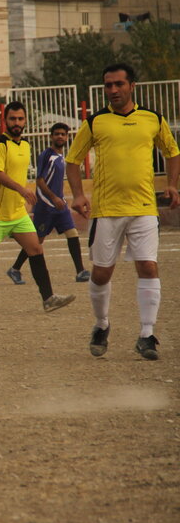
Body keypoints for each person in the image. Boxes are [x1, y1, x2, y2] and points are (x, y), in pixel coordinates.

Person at [66, 62, 180, 360]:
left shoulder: (153, 118)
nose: (113, 90)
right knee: (102, 273)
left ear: (132, 86)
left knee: (148, 267)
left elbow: (172, 152)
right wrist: (78, 195)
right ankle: (102, 325)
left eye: (119, 84)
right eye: (108, 85)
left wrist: (172, 185)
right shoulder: (96, 121)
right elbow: (72, 160)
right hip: (106, 210)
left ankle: (146, 334)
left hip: (144, 207)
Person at [0, 101, 75, 316]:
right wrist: (21, 190)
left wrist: (23, 196)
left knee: (35, 249)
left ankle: (49, 298)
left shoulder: (25, 146)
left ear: (25, 121)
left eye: (20, 119)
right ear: (5, 121)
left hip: (17, 213)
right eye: (12, 119)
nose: (17, 123)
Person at [5, 123, 90, 285]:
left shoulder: (61, 158)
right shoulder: (46, 155)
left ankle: (80, 271)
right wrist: (53, 198)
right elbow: (40, 181)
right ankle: (15, 269)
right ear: (51, 136)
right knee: (37, 241)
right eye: (57, 134)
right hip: (46, 206)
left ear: (67, 137)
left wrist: (60, 199)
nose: (60, 136)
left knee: (72, 233)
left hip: (60, 205)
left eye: (63, 134)